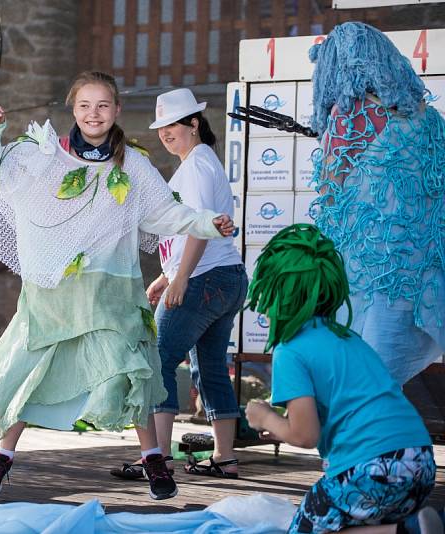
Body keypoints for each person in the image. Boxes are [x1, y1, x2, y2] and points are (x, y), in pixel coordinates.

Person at [0, 71, 234, 500]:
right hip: (52, 292)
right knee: (27, 374)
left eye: (103, 105)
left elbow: (166, 213)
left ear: (117, 110)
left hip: (110, 292)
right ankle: (1, 459)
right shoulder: (43, 155)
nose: (94, 114)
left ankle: (153, 461)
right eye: (85, 105)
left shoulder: (134, 163)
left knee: (130, 371)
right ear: (73, 110)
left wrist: (207, 223)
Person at [243, 224, 440, 534]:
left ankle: (410, 530)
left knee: (305, 527)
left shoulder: (290, 349)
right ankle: (406, 528)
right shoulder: (348, 338)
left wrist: (265, 417)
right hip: (420, 463)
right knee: (338, 521)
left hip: (371, 467)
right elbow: (346, 408)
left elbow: (305, 436)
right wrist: (284, 426)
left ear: (277, 293)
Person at [111, 88, 246, 481]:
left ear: (194, 123)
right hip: (223, 278)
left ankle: (159, 458)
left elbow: (202, 226)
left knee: (159, 361)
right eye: (162, 126)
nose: (166, 132)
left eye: (174, 124)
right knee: (211, 368)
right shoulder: (197, 163)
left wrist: (181, 277)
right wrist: (168, 275)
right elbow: (189, 229)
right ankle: (225, 457)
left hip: (206, 278)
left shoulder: (199, 165)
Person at [309, 22, 445, 385]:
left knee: (362, 375)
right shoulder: (428, 118)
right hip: (419, 276)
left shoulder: (349, 116)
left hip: (366, 272)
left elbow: (329, 191)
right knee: (383, 373)